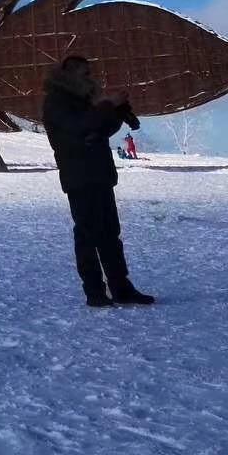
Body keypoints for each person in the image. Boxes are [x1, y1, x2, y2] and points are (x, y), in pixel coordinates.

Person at [42, 55, 155, 308]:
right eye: (85, 74)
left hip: (99, 174)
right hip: (79, 176)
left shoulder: (83, 100)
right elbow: (82, 126)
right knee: (87, 234)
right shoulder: (57, 102)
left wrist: (116, 110)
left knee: (110, 234)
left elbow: (101, 129)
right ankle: (94, 292)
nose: (90, 79)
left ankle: (121, 288)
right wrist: (106, 105)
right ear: (69, 75)